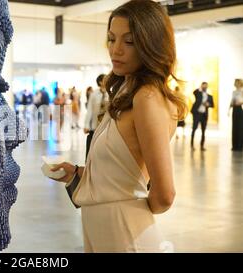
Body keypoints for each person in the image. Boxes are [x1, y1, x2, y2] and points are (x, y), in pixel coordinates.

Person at [50, 0, 187, 252]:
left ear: (150, 44)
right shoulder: (126, 92)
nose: (116, 50)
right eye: (112, 39)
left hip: (125, 233)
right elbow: (121, 172)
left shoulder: (147, 97)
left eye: (130, 41)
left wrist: (125, 209)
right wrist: (78, 173)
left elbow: (164, 194)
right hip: (103, 229)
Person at [84, 74, 108, 158]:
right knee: (92, 147)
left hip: (106, 126)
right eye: (105, 79)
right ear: (100, 82)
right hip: (95, 125)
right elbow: (89, 110)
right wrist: (86, 125)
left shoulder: (110, 93)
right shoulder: (94, 94)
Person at [190, 82, 214, 151]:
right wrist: (200, 87)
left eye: (206, 86)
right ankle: (192, 145)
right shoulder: (198, 93)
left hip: (204, 115)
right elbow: (194, 92)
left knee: (203, 130)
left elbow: (212, 105)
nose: (205, 87)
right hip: (197, 114)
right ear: (201, 86)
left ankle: (202, 146)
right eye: (203, 86)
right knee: (194, 129)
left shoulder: (209, 96)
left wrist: (208, 104)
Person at [229, 79, 243, 151]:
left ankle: (240, 146)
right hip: (234, 109)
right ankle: (234, 146)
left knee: (240, 128)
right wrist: (229, 108)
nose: (236, 84)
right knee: (234, 127)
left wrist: (240, 102)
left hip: (240, 109)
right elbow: (232, 101)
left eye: (237, 82)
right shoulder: (234, 92)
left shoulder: (242, 91)